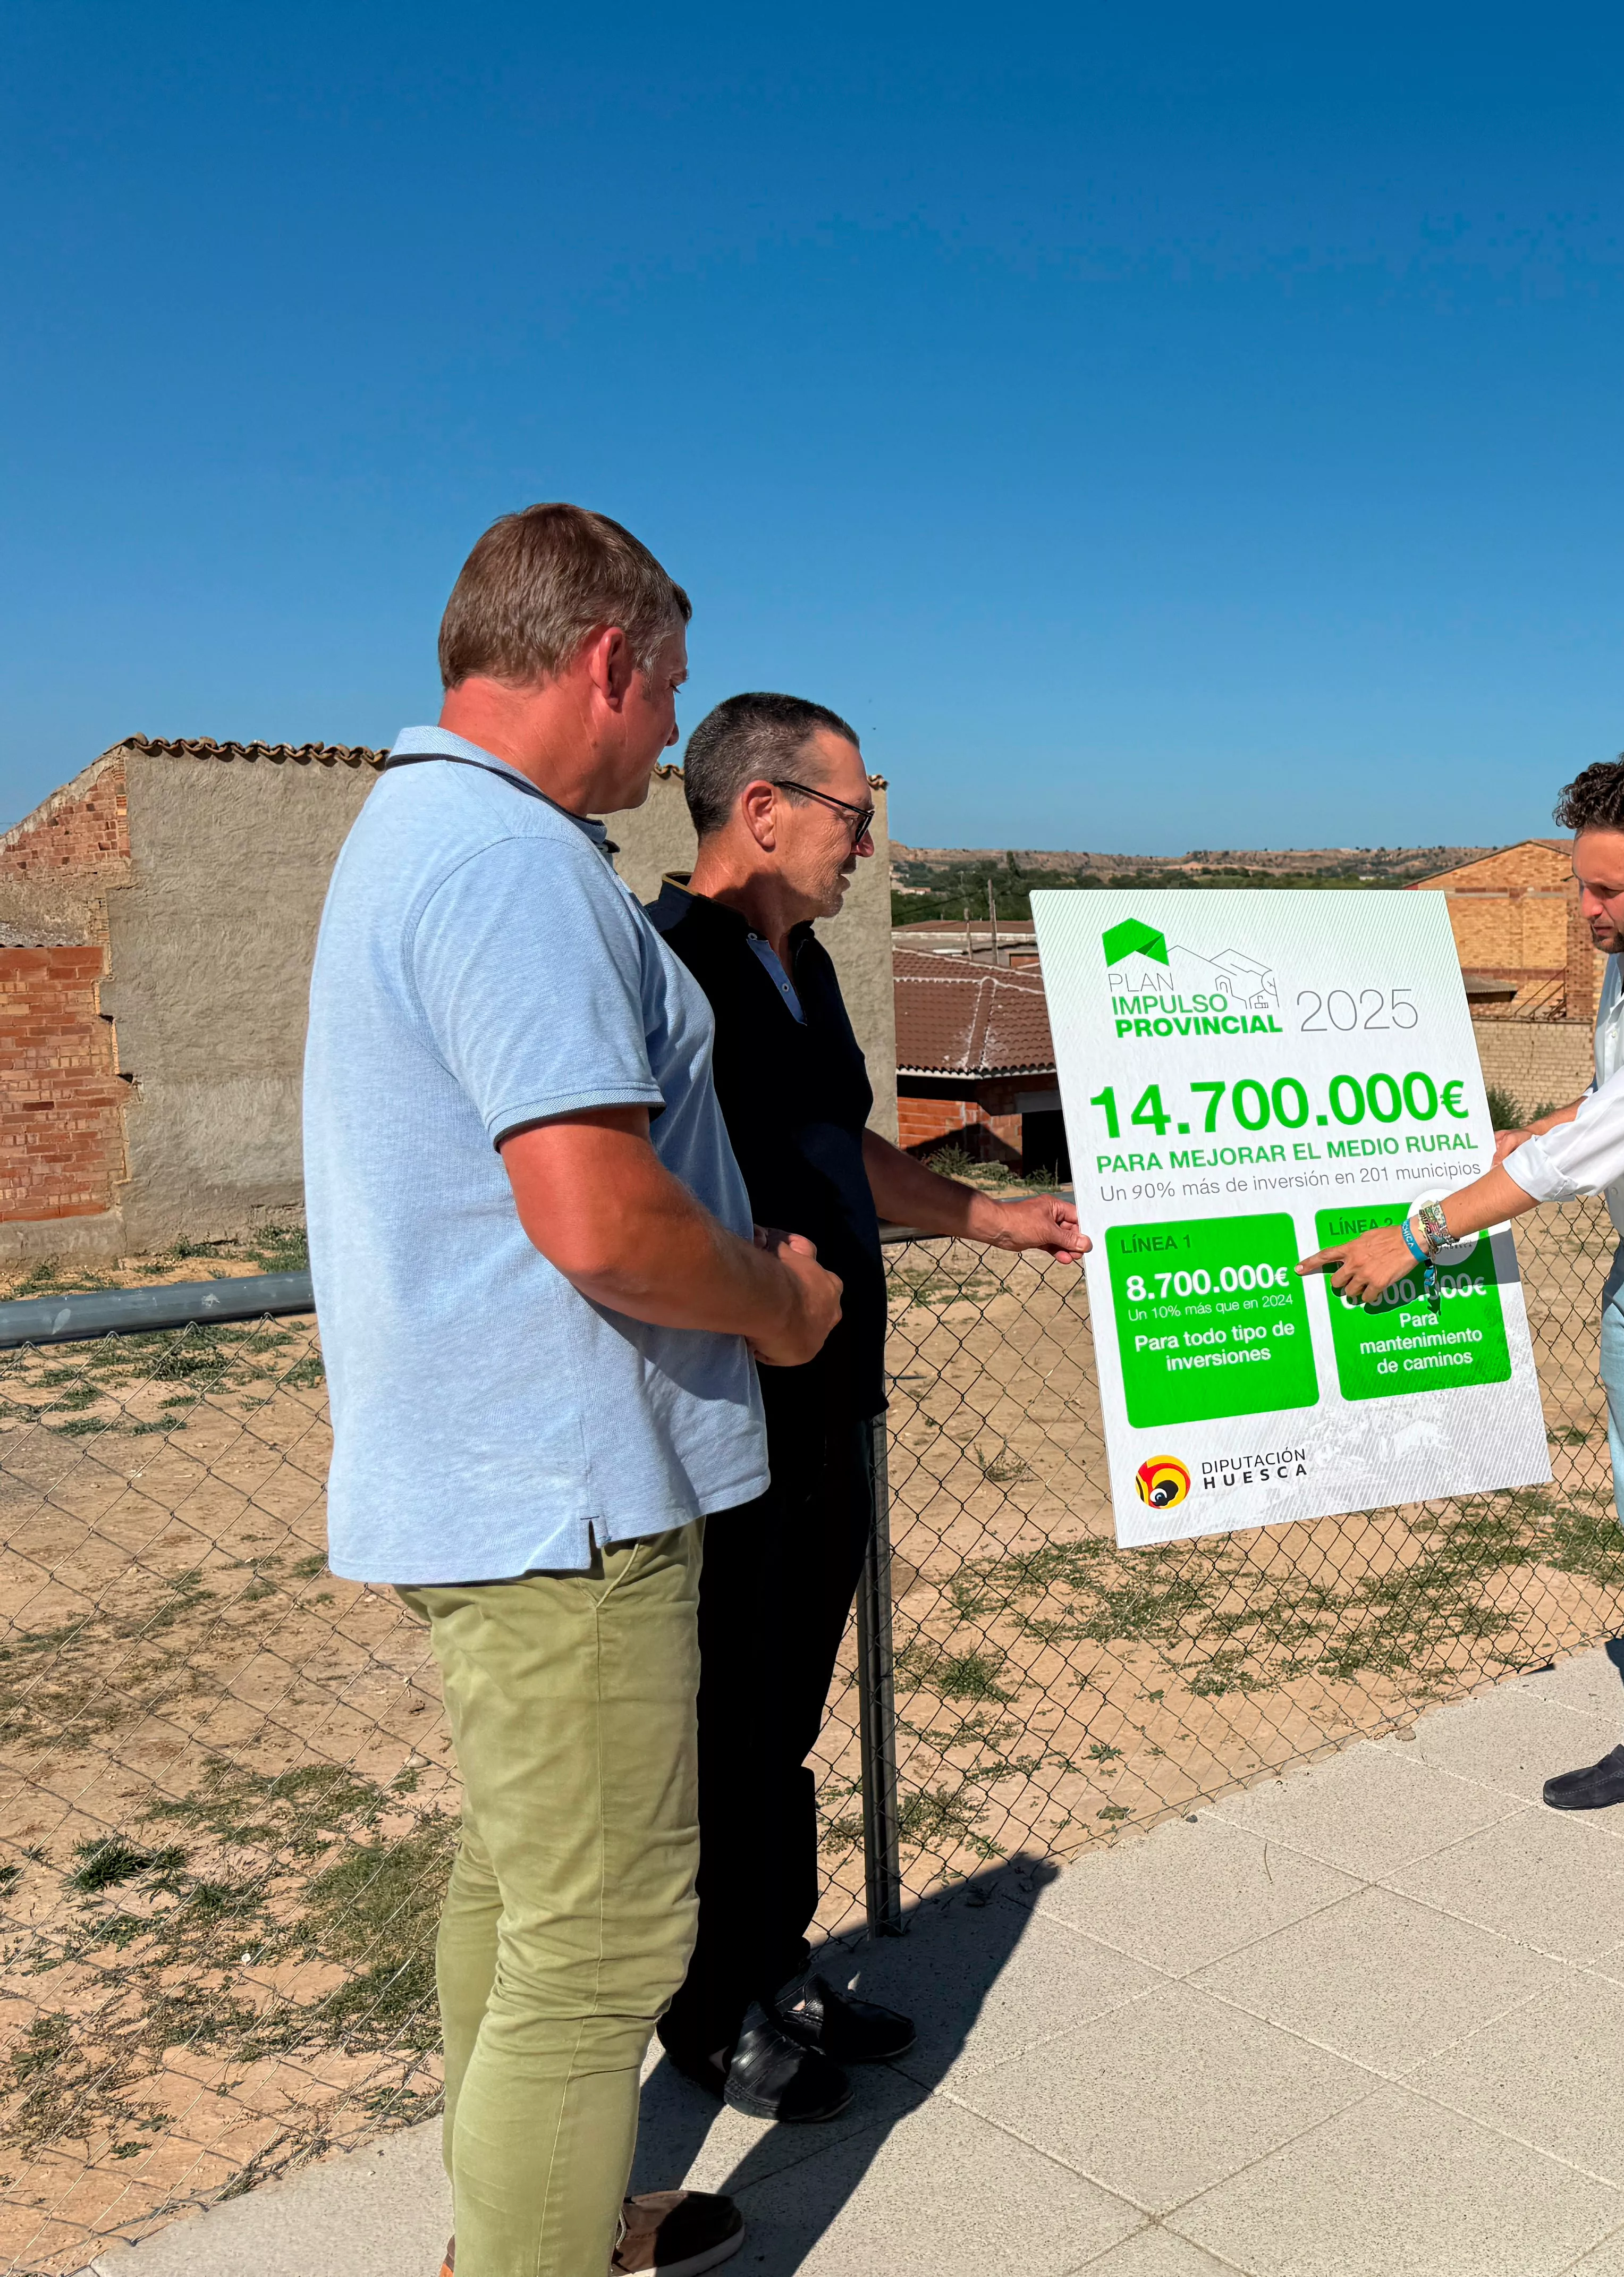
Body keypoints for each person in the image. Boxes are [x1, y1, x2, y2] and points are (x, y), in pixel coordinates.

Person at [304, 505, 844, 2277]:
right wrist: (773, 1303)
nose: (670, 735)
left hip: (504, 1472)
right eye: (667, 690)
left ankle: (520, 2217)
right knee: (604, 1939)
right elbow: (600, 1213)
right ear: (604, 659)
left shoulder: (434, 832)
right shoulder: (509, 864)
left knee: (523, 1895)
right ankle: (528, 2246)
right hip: (566, 1492)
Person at [646, 693, 1089, 2120]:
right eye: (852, 813)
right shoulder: (669, 966)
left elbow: (843, 1149)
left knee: (783, 1714)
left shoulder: (808, 965)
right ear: (763, 808)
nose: (867, 841)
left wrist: (994, 1219)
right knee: (722, 1717)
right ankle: (708, 2011)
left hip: (837, 1394)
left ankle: (778, 1960)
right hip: (728, 1409)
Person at [1303, 754, 1624, 1888]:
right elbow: (1609, 1104)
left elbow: (1599, 1147)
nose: (1583, 913)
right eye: (1579, 887)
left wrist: (1422, 1233)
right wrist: (1516, 1138)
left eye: (1604, 893)